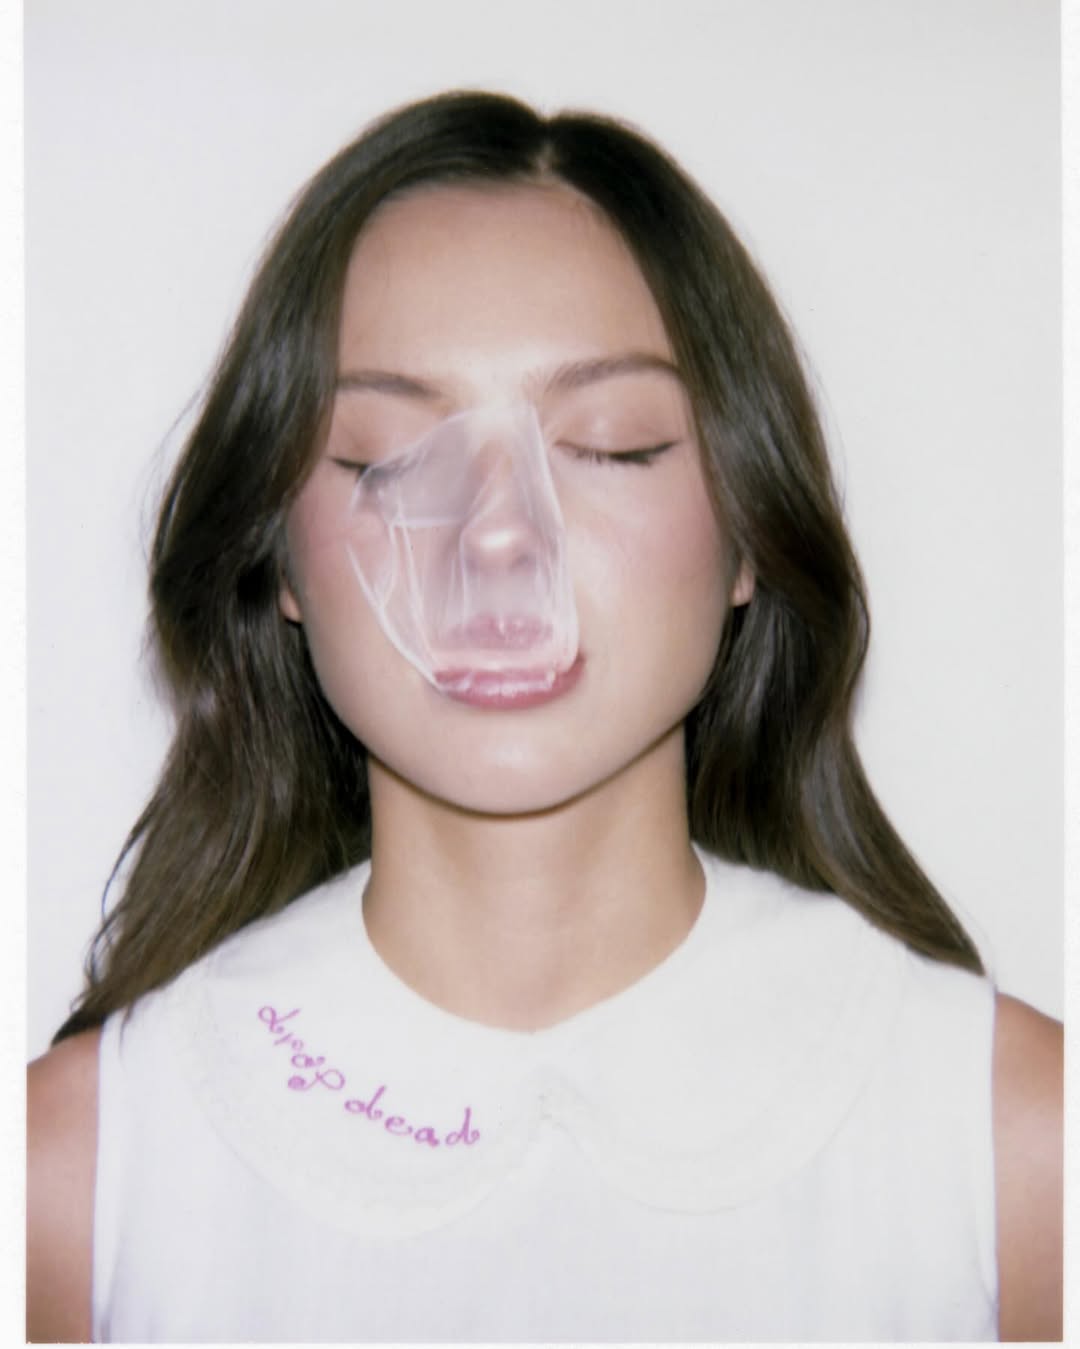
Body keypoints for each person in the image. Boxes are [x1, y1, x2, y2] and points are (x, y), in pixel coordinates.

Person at [26, 90, 1061, 1342]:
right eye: (384, 456)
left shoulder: (1016, 1149)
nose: (500, 533)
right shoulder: (73, 1179)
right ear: (279, 559)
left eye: (611, 445)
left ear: (750, 531)